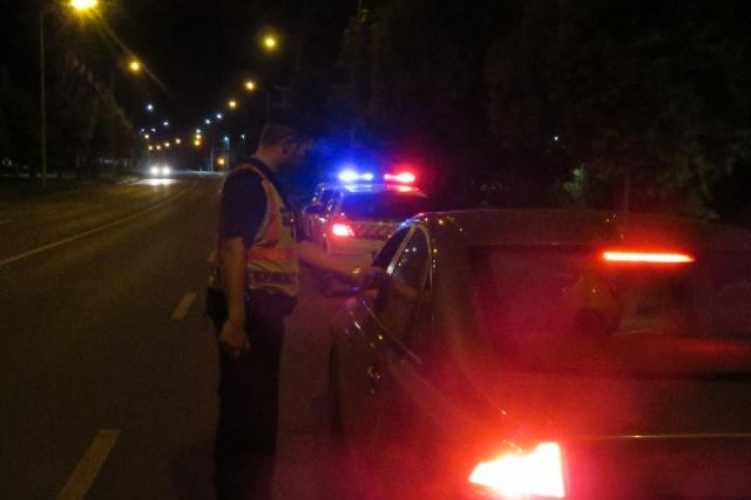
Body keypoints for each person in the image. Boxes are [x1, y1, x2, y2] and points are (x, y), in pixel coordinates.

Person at [208, 107, 359, 500]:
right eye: (304, 149)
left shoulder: (272, 187)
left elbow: (301, 247)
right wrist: (236, 318)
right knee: (246, 414)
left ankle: (252, 489)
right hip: (250, 312)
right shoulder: (248, 183)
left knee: (258, 412)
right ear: (288, 145)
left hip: (263, 313)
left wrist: (356, 274)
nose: (306, 157)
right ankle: (239, 492)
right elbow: (233, 248)